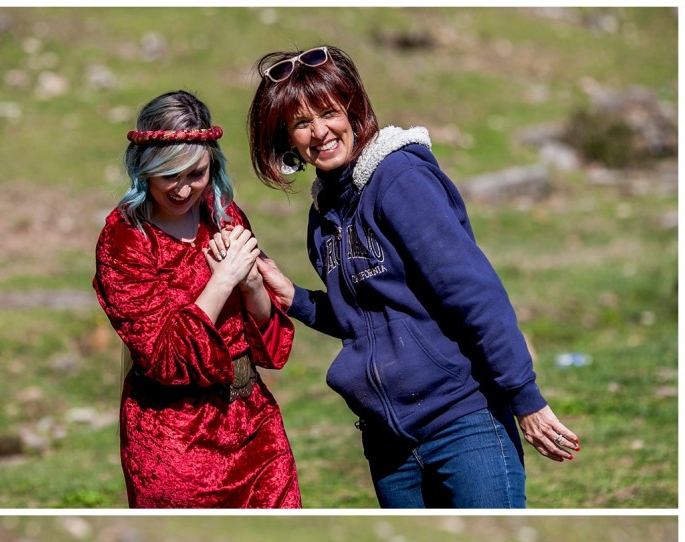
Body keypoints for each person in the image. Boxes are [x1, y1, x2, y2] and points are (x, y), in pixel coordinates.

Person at [237, 46, 581, 508]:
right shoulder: (323, 218)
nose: (319, 132)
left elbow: (472, 291)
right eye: (302, 123)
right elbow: (365, 321)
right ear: (288, 139)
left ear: (353, 111)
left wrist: (526, 398)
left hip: (465, 426)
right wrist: (296, 298)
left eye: (328, 113)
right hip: (389, 449)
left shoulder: (400, 179)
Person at [94, 90, 301, 508]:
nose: (184, 189)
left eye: (196, 173)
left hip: (255, 423)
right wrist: (221, 281)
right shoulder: (124, 240)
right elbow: (162, 358)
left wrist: (253, 286)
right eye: (169, 174)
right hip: (174, 441)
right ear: (144, 168)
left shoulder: (224, 215)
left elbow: (272, 346)